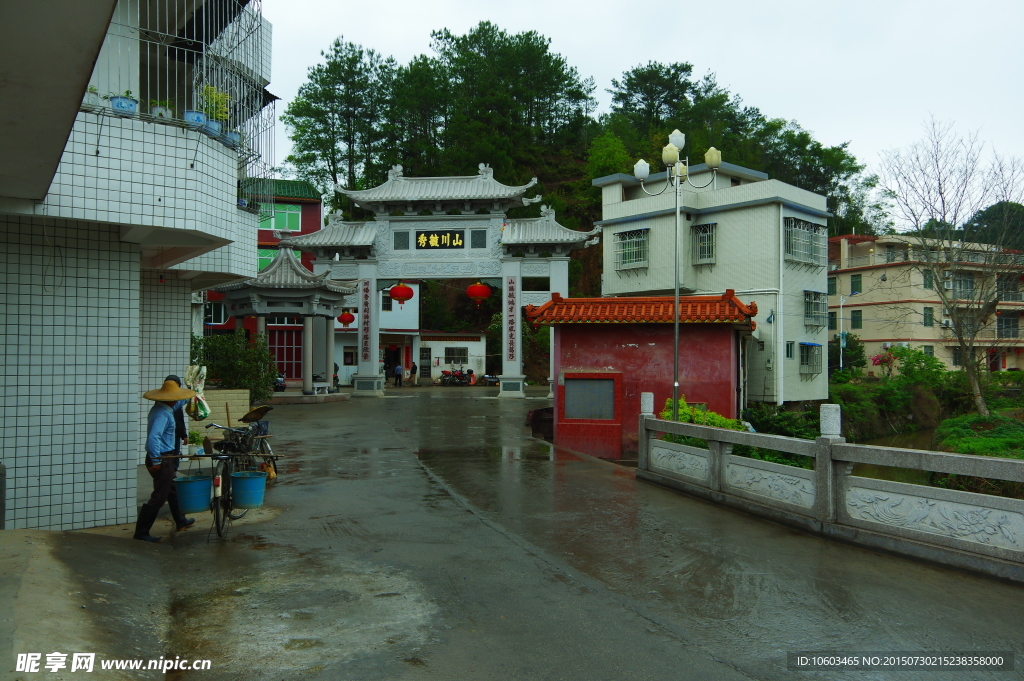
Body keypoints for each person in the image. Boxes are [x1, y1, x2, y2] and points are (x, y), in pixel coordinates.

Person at [133, 377, 196, 542]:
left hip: (165, 457)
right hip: (162, 458)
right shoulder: (162, 414)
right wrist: (156, 461)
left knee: (171, 490)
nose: (177, 399)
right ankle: (141, 532)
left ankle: (180, 520)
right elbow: (154, 437)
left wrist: (195, 391)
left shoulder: (164, 408)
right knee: (159, 496)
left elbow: (180, 402)